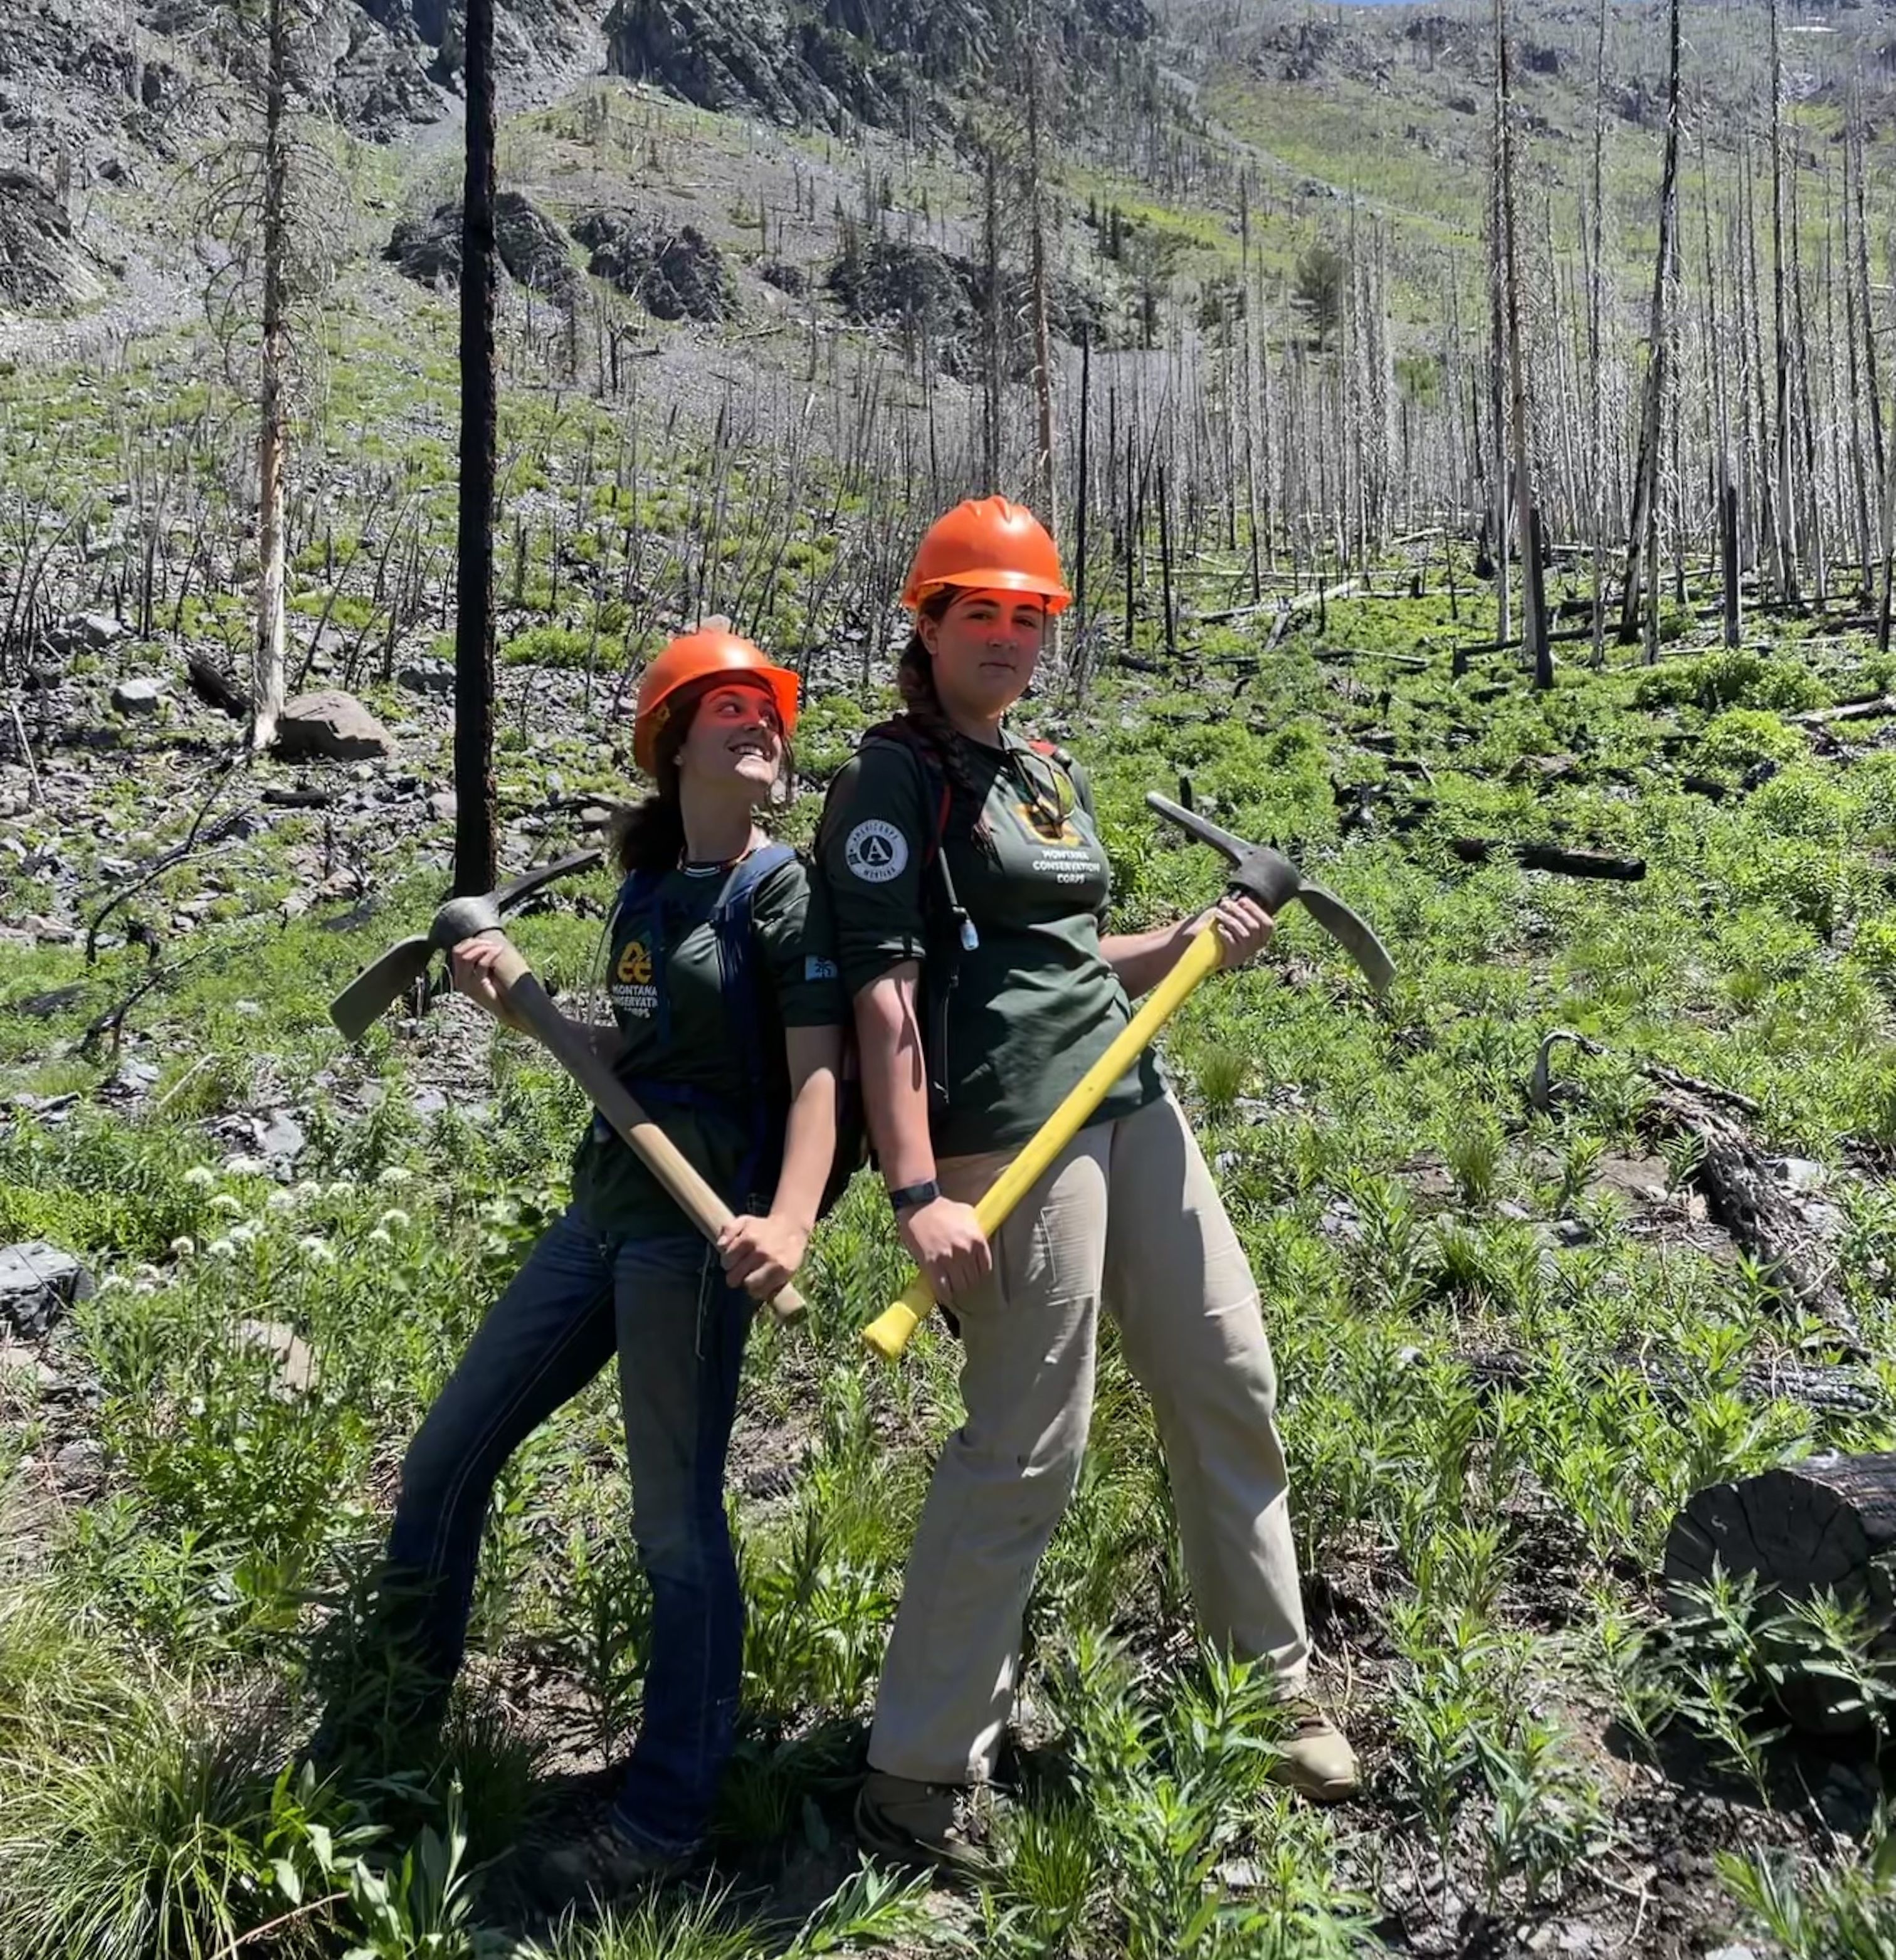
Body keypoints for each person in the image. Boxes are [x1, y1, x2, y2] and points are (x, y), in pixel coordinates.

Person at [816, 498, 1358, 1873]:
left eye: (1028, 615)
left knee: (1227, 1372)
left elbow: (1062, 954)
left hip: (1130, 1096)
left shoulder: (1045, 767)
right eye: (979, 611)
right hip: (1005, 1134)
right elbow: (883, 996)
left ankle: (1268, 1686)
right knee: (1026, 1446)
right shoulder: (889, 781)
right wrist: (915, 1189)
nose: (1007, 636)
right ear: (926, 624)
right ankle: (919, 1770)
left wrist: (1186, 940)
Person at [314, 628, 844, 1892]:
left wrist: (794, 1220)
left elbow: (822, 1073)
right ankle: (381, 1747)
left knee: (673, 1524)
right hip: (602, 1212)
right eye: (728, 708)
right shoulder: (646, 893)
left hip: (697, 1229)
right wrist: (526, 1006)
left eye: (766, 710)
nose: (757, 725)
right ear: (672, 745)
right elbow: (629, 1054)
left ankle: (665, 1821)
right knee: (445, 1459)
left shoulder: (787, 892)